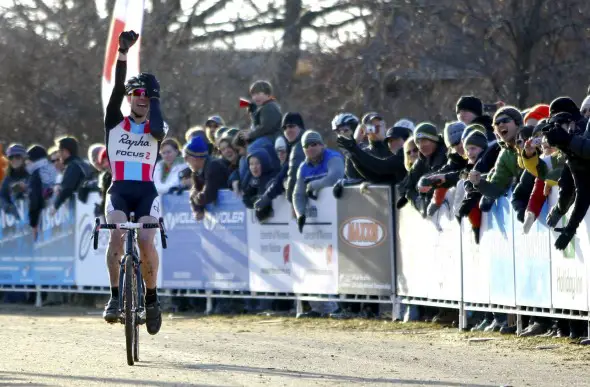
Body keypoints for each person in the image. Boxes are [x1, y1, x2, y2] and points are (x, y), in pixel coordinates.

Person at [101, 30, 168, 335]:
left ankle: (151, 299)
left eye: (146, 95)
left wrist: (154, 96)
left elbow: (155, 126)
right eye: (136, 94)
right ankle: (115, 297)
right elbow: (117, 87)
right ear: (129, 98)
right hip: (118, 191)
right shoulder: (115, 121)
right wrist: (122, 53)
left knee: (145, 241)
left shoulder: (158, 126)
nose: (141, 99)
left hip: (145, 193)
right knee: (115, 235)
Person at [293, 131, 345, 233]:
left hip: (342, 211)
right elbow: (298, 194)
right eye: (306, 146)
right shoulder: (303, 168)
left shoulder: (333, 157)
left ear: (321, 145)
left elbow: (335, 178)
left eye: (314, 144)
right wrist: (300, 214)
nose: (310, 148)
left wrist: (313, 185)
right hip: (324, 220)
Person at [184, 136, 231, 220]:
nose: (186, 162)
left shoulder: (213, 166)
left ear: (195, 159)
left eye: (186, 158)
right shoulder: (197, 171)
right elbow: (194, 190)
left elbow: (209, 195)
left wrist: (195, 198)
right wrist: (198, 209)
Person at [49, 136, 90, 214]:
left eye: (59, 151)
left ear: (65, 151)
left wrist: (55, 206)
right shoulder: (82, 163)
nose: (58, 154)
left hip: (82, 210)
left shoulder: (73, 166)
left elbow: (67, 188)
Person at [26, 145, 57, 240]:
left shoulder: (36, 174)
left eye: (28, 159)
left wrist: (33, 223)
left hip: (43, 218)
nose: (26, 162)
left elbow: (34, 200)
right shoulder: (52, 169)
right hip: (57, 216)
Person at [0, 144, 29, 217]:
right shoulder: (7, 178)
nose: (14, 160)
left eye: (17, 157)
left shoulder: (30, 174)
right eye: (11, 158)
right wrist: (9, 207)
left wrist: (26, 188)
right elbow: (2, 197)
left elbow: (40, 192)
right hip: (14, 221)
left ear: (23, 158)